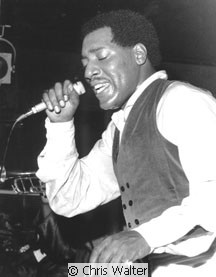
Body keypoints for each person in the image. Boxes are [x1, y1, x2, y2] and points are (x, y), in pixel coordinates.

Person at [36, 9, 216, 276]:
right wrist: (61, 125)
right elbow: (68, 198)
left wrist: (143, 237)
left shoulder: (181, 101)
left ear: (139, 55)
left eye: (101, 57)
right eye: (85, 62)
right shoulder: (120, 128)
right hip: (152, 268)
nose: (88, 71)